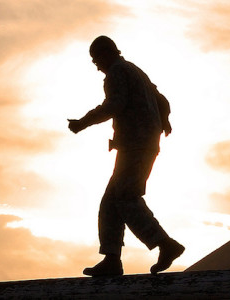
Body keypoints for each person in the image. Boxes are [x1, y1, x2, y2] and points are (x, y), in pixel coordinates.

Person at [68, 36, 185, 276]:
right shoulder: (134, 70)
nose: (96, 66)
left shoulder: (117, 72)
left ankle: (165, 244)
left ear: (104, 55)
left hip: (136, 146)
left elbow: (115, 105)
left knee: (125, 197)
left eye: (96, 60)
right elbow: (161, 99)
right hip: (141, 145)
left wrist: (83, 122)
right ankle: (112, 259)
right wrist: (164, 120)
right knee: (111, 202)